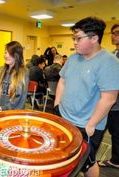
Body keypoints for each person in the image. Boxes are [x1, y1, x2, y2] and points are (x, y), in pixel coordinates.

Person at [54, 17, 119, 177]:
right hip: (63, 116)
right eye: (74, 38)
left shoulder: (109, 62)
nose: (75, 42)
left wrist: (92, 124)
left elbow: (109, 98)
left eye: (78, 38)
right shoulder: (74, 57)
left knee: (87, 163)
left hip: (86, 125)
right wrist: (57, 105)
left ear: (94, 38)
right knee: (63, 156)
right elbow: (62, 80)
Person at [98, 23, 119, 169]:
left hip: (116, 103)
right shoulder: (113, 53)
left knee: (116, 133)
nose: (113, 35)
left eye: (117, 33)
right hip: (111, 103)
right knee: (113, 132)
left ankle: (116, 161)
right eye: (112, 33)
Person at [0, 41, 29, 110]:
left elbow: (18, 97)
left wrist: (4, 108)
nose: (6, 55)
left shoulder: (23, 72)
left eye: (10, 53)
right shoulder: (3, 70)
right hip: (1, 111)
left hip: (14, 113)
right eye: (5, 52)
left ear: (17, 55)